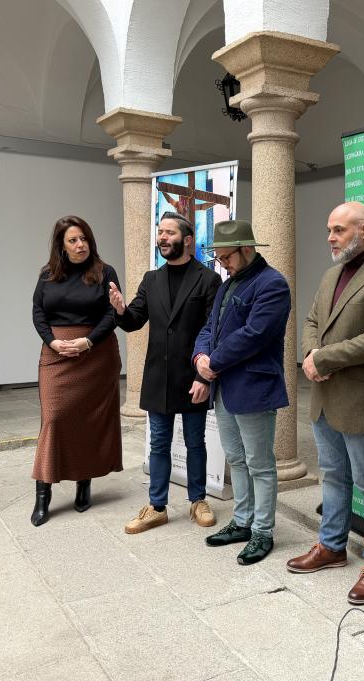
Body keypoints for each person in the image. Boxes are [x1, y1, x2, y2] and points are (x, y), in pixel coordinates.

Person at [288, 201, 364, 605]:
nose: (330, 237)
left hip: (362, 399)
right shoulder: (332, 274)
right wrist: (311, 354)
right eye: (329, 229)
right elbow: (311, 321)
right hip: (326, 397)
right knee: (333, 476)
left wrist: (322, 359)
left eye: (338, 230)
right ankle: (332, 546)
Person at [111, 212, 221, 533]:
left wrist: (203, 377)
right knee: (159, 444)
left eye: (169, 232)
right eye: (160, 232)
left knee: (195, 442)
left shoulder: (208, 279)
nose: (162, 237)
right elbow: (134, 320)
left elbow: (213, 331)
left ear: (187, 240)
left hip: (192, 378)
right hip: (158, 378)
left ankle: (198, 500)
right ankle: (157, 506)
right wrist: (120, 309)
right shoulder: (151, 279)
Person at [193, 220, 291, 565]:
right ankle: (242, 521)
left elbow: (255, 334)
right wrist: (200, 357)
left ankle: (262, 531)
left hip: (253, 387)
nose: (222, 264)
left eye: (226, 257)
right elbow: (209, 328)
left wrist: (213, 363)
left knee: (259, 463)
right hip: (224, 386)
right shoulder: (227, 285)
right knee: (236, 458)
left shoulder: (273, 284)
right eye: (218, 258)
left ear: (247, 249)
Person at [30, 215, 122, 526]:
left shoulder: (105, 272)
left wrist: (88, 341)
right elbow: (38, 312)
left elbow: (112, 314)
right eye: (73, 240)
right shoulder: (47, 274)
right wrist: (52, 342)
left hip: (96, 355)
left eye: (84, 239)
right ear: (62, 245)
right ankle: (43, 494)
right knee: (54, 418)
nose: (80, 245)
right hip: (56, 353)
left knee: (88, 421)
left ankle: (85, 482)